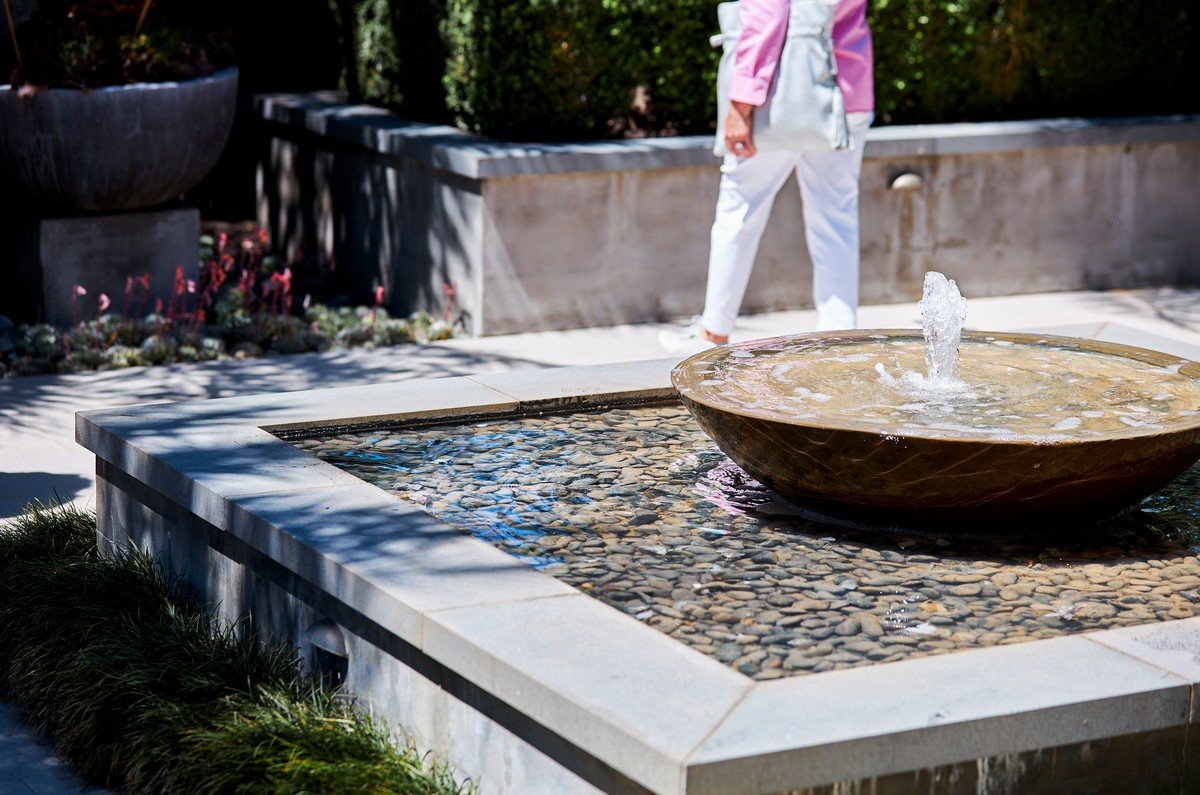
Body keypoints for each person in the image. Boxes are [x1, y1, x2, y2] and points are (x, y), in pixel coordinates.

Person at [660, 0, 874, 354]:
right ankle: (837, 339)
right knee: (835, 217)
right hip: (847, 86)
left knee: (739, 209)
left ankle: (712, 334)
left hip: (779, 96)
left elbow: (767, 12)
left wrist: (741, 101)